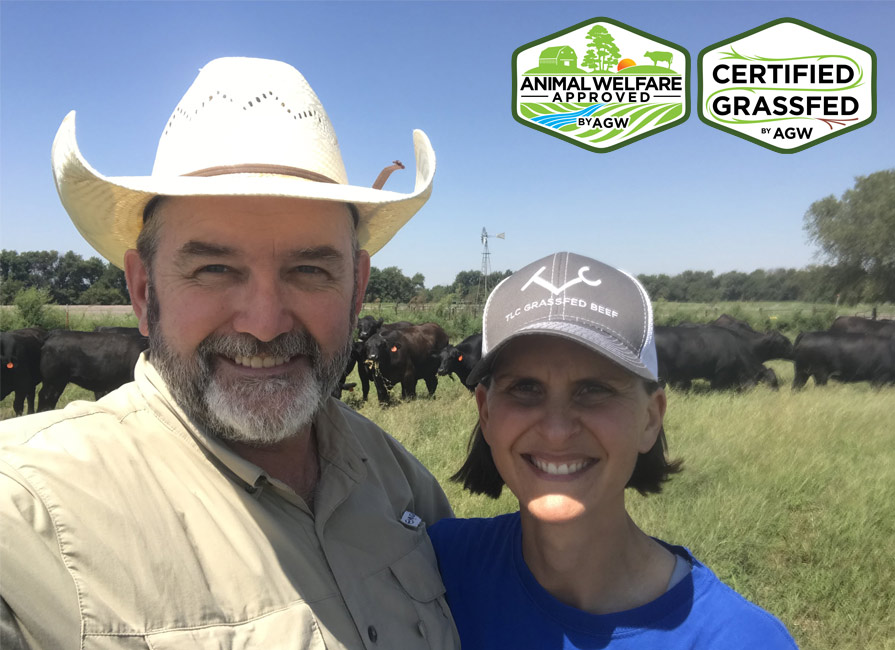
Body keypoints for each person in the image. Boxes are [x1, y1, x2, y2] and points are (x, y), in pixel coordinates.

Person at [0, 57, 458, 649]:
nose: (264, 325)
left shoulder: (401, 484)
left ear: (357, 292)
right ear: (144, 291)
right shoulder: (27, 519)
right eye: (214, 268)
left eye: (311, 269)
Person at [428, 251, 798, 649]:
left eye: (594, 390)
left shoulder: (739, 640)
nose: (555, 431)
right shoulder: (433, 570)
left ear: (650, 420)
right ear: (486, 412)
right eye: (525, 388)